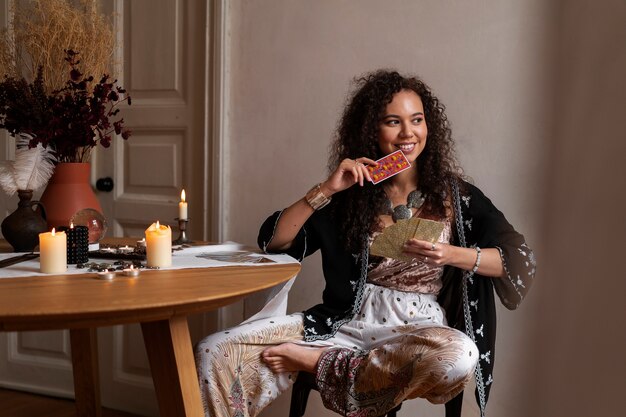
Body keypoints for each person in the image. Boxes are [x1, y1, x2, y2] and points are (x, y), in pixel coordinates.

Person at [195, 70, 535, 417]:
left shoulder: (457, 196)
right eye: (393, 122)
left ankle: (322, 362)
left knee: (460, 355)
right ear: (372, 130)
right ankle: (335, 357)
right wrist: (327, 190)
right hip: (343, 323)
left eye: (417, 120)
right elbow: (275, 241)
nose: (408, 133)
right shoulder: (353, 195)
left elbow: (520, 260)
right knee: (215, 350)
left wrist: (450, 254)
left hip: (418, 331)